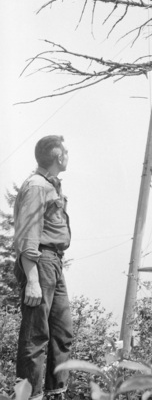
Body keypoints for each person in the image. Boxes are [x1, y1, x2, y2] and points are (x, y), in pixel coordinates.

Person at [14, 135, 73, 400]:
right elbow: (28, 235)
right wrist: (32, 279)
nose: (68, 155)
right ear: (58, 157)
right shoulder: (37, 185)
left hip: (54, 263)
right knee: (36, 336)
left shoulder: (50, 185)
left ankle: (56, 392)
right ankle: (29, 396)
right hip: (40, 262)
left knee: (62, 333)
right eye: (66, 152)